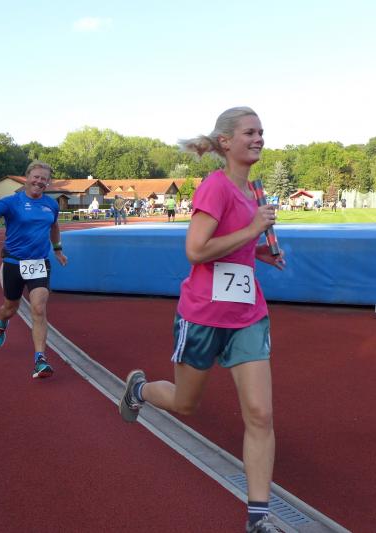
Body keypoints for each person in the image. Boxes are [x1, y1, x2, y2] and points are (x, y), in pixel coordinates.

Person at [117, 107, 285, 533]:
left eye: (261, 132)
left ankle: (258, 517)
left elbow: (234, 247)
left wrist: (260, 252)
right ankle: (139, 388)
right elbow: (196, 251)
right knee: (185, 404)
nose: (259, 138)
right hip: (203, 315)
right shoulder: (216, 186)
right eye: (250, 132)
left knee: (260, 414)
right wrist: (253, 230)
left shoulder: (253, 191)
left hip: (247, 314)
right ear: (225, 142)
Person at [0, 160, 69, 379]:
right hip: (13, 263)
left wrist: (58, 250)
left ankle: (40, 360)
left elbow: (54, 226)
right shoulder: (12, 202)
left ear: (48, 182)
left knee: (39, 308)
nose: (39, 181)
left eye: (44, 179)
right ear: (27, 178)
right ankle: (1, 324)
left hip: (38, 263)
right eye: (36, 177)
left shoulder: (51, 205)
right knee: (10, 308)